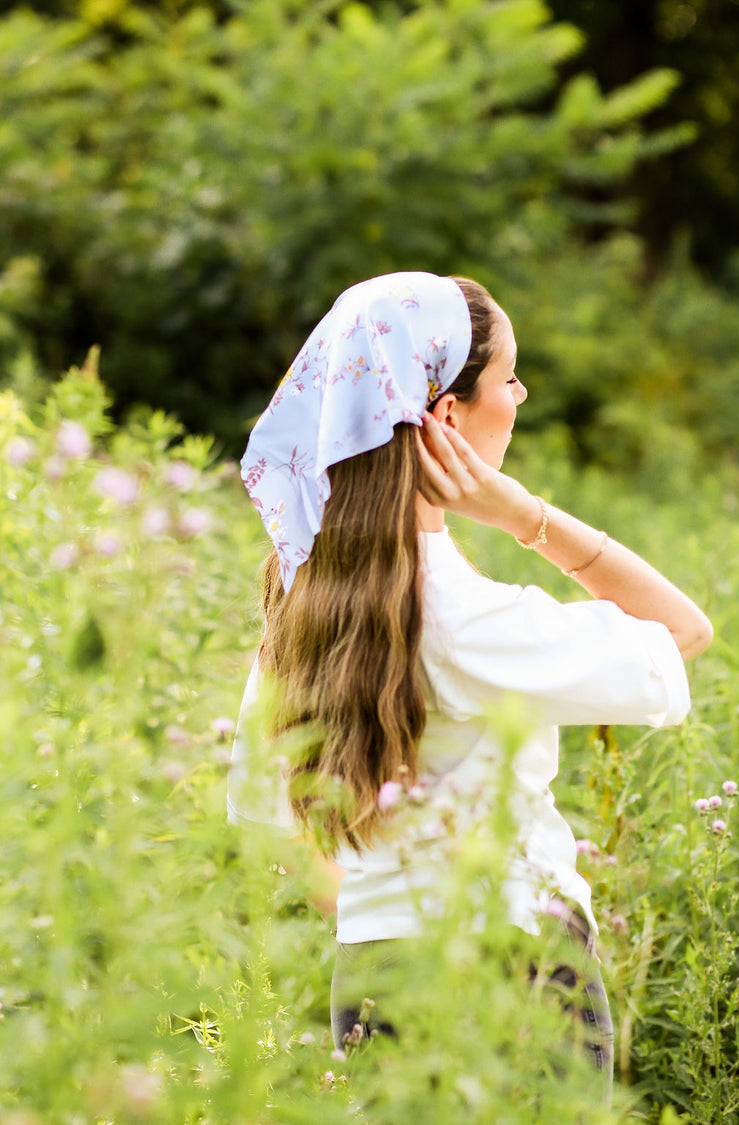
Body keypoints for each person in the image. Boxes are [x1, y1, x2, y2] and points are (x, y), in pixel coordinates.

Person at [228, 271, 712, 1091]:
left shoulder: (303, 606)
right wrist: (525, 515)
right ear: (446, 416)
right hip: (515, 965)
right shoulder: (462, 617)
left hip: (370, 972)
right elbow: (683, 630)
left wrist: (391, 911)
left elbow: (259, 817)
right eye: (508, 375)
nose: (519, 394)